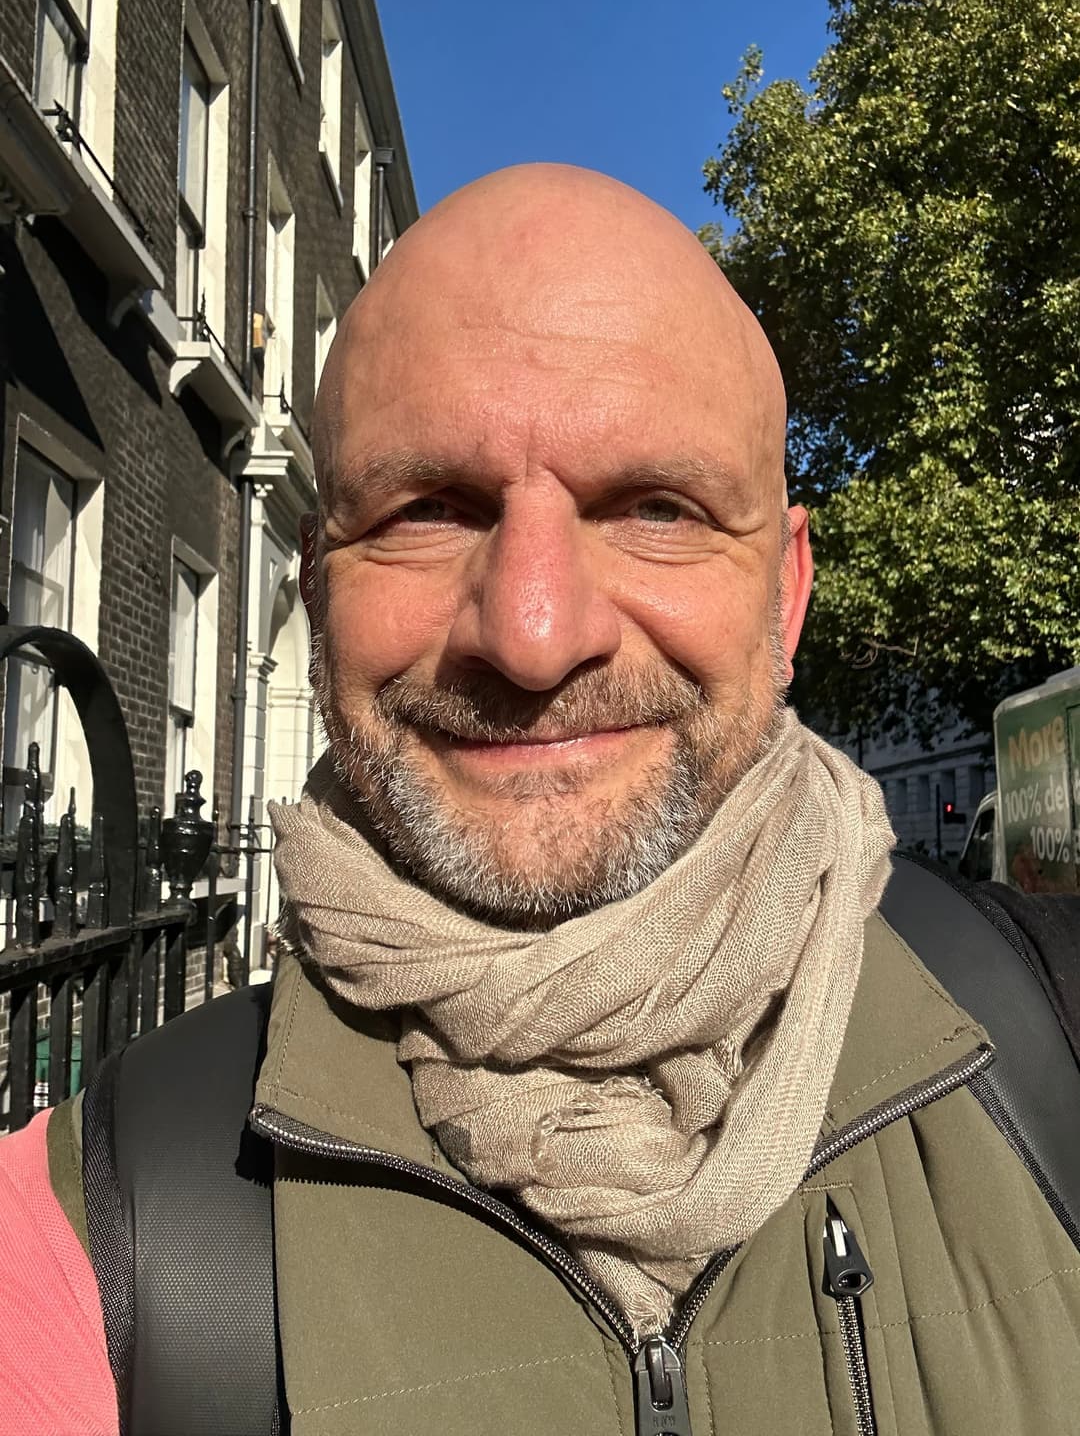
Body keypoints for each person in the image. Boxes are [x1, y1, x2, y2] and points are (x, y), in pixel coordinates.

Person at [3, 164, 1080, 1436]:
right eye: (433, 510)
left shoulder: (1050, 1040)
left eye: (655, 509)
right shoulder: (93, 1225)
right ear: (317, 586)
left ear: (784, 595)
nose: (530, 633)